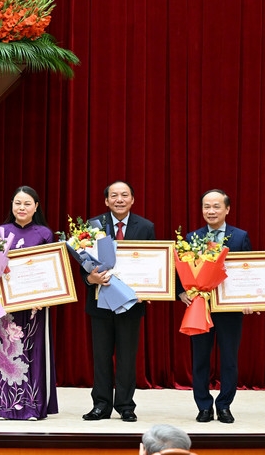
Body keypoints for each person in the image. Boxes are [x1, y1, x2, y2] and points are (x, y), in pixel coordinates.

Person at [177, 189, 255, 424]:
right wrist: (181, 292)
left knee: (229, 359)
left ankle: (224, 406)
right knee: (200, 358)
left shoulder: (240, 237)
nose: (211, 211)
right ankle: (203, 406)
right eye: (206, 207)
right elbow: (180, 270)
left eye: (216, 206)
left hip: (229, 310)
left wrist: (249, 299)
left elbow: (248, 271)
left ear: (227, 209)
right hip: (200, 307)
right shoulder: (191, 237)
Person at [81, 180, 155, 422]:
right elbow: (82, 264)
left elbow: (154, 262)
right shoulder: (93, 226)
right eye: (114, 196)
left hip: (131, 303)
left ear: (132, 199)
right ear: (106, 200)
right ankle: (101, 404)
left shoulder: (145, 227)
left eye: (124, 195)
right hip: (100, 300)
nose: (119, 200)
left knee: (126, 356)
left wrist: (151, 288)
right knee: (101, 356)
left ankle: (125, 405)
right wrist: (91, 277)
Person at [0, 186, 58, 420]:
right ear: (12, 206)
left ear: (36, 207)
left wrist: (43, 296)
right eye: (18, 203)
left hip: (35, 305)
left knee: (32, 352)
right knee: (4, 354)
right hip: (6, 307)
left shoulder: (44, 233)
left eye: (27, 203)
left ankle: (31, 406)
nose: (22, 208)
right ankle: (1, 405)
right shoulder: (0, 231)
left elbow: (50, 270)